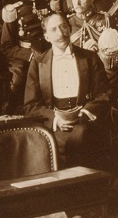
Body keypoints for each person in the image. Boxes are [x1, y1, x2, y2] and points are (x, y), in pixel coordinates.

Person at [23, 13, 113, 164]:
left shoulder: (90, 58)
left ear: (70, 29)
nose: (60, 33)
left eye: (63, 27)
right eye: (53, 30)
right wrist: (56, 120)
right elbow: (31, 105)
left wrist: (84, 113)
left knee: (82, 139)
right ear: (46, 37)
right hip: (54, 127)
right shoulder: (38, 63)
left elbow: (103, 94)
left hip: (85, 122)